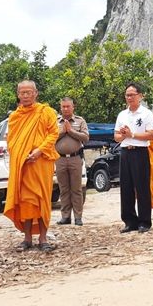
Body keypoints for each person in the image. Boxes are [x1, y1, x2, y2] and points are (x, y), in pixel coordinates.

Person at [4, 81, 59, 252]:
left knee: (42, 199)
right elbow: (11, 141)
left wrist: (39, 151)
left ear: (36, 93)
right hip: (24, 164)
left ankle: (43, 238)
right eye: (22, 93)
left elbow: (53, 134)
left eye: (29, 92)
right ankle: (27, 238)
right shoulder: (15, 117)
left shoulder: (46, 112)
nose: (26, 95)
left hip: (41, 162)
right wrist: (22, 155)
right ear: (18, 95)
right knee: (26, 200)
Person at [114, 83, 153, 234]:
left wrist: (132, 134)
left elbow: (151, 134)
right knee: (126, 187)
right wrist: (124, 135)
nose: (129, 97)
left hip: (140, 152)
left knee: (142, 187)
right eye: (127, 95)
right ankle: (129, 221)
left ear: (140, 96)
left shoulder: (146, 114)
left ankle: (144, 221)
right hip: (125, 151)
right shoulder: (122, 114)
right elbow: (116, 136)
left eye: (132, 94)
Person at [55, 97, 89, 226]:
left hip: (75, 158)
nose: (65, 109)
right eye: (63, 106)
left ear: (73, 107)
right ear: (60, 107)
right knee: (63, 189)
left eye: (68, 106)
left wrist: (71, 131)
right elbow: (50, 138)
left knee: (76, 189)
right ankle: (65, 216)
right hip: (60, 159)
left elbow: (85, 138)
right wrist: (63, 132)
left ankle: (78, 217)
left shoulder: (80, 121)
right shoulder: (55, 121)